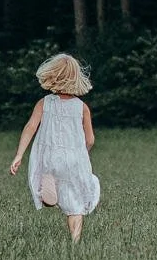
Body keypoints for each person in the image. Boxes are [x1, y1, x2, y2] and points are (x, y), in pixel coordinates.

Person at [9, 52, 100, 240]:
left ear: (51, 75)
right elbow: (90, 139)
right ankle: (75, 240)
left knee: (50, 179)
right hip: (73, 160)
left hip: (49, 158)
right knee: (75, 204)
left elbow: (30, 127)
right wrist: (82, 154)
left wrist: (19, 155)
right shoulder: (82, 107)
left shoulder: (44, 103)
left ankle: (48, 194)